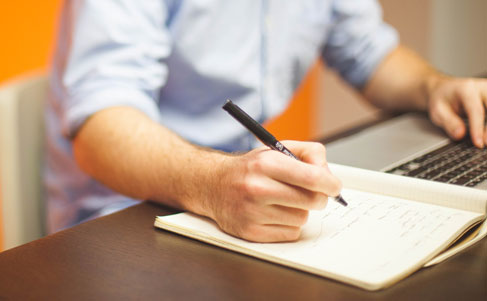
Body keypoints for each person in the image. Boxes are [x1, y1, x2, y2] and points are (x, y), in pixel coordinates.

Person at [46, 0, 487, 242]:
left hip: (241, 196)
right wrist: (214, 185)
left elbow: (369, 52)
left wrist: (434, 87)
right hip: (126, 217)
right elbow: (100, 125)